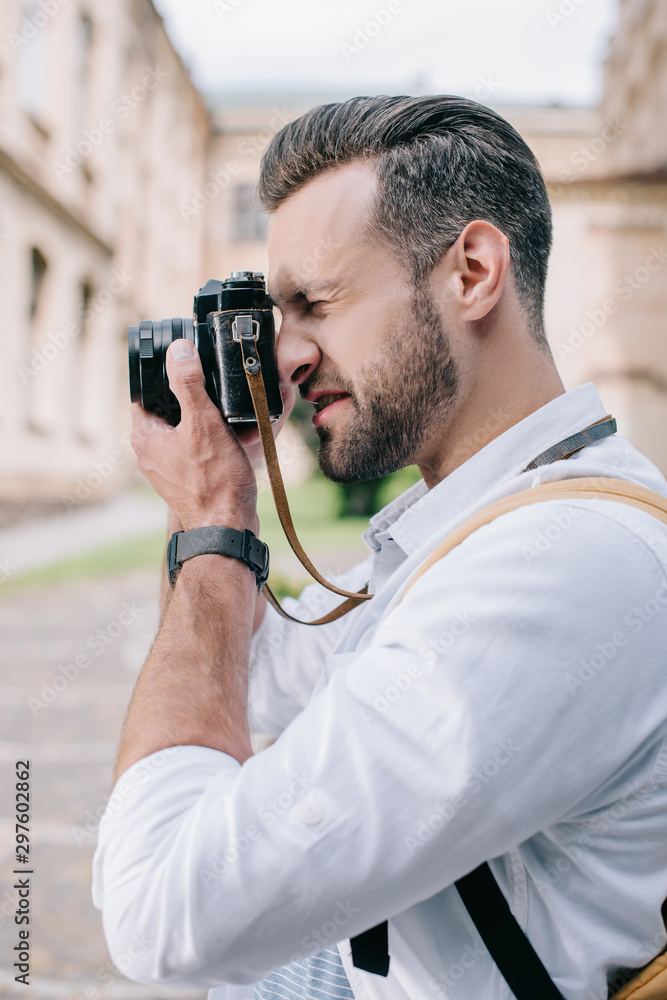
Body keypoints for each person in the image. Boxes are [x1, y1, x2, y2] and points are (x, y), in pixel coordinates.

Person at [92, 97, 667, 1000]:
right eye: (273, 319)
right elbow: (247, 675)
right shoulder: (481, 523)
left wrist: (214, 522)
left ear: (472, 272)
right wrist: (212, 494)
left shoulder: (557, 563)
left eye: (314, 304)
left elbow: (160, 908)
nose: (286, 358)